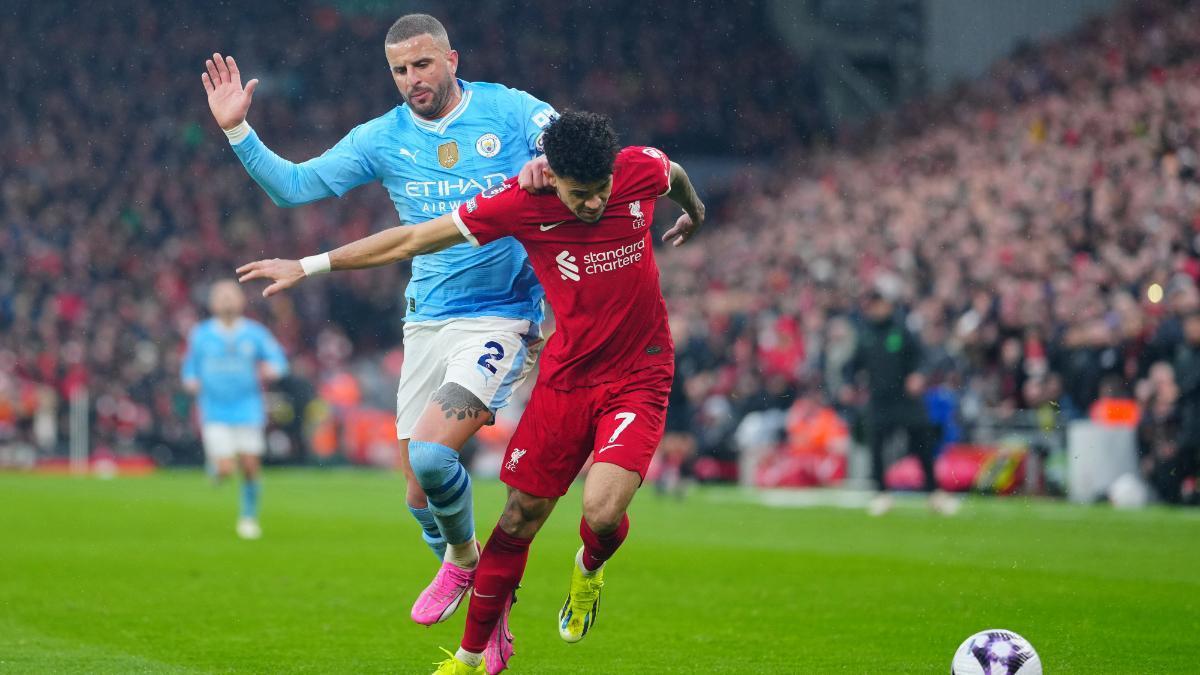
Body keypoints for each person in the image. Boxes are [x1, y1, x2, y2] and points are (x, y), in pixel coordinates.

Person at [236, 111, 705, 674]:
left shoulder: (636, 168)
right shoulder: (520, 202)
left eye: (601, 190)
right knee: (516, 517)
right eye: (580, 194)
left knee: (601, 512)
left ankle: (589, 569)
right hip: (566, 375)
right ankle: (469, 656)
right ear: (552, 176)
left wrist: (694, 212)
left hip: (640, 373)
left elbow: (672, 172)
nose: (593, 204)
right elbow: (412, 237)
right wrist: (310, 266)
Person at [201, 13, 559, 621]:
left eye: (423, 64)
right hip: (425, 319)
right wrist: (239, 133)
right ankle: (483, 594)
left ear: (453, 59)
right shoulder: (382, 137)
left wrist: (547, 163)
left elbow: (570, 144)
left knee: (431, 457)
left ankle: (469, 569)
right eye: (400, 70)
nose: (413, 78)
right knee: (419, 497)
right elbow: (294, 186)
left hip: (500, 316)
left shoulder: (511, 110)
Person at [182, 280, 288, 539]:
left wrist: (272, 369)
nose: (227, 300)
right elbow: (189, 367)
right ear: (212, 303)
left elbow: (279, 361)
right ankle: (217, 469)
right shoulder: (201, 334)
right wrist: (191, 381)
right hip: (215, 409)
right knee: (227, 469)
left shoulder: (254, 333)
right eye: (222, 296)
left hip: (248, 407)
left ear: (241, 301)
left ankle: (248, 518)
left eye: (232, 295)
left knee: (251, 465)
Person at [845, 290, 957, 516]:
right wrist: (848, 385)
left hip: (907, 400)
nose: (877, 309)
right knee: (876, 446)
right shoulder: (866, 334)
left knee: (922, 444)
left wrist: (918, 375)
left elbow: (923, 359)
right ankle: (881, 494)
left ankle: (934, 492)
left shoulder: (902, 330)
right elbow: (851, 366)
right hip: (880, 400)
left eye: (880, 304)